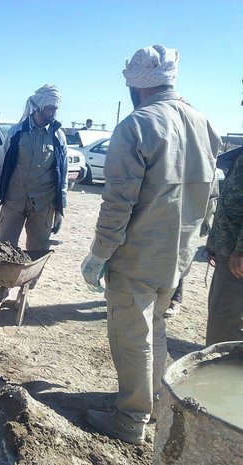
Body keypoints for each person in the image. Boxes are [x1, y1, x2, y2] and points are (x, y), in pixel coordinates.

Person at [80, 45, 221, 444]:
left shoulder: (137, 125)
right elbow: (212, 195)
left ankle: (130, 419)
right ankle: (155, 401)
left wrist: (99, 254)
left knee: (132, 336)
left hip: (137, 254)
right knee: (155, 328)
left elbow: (118, 202)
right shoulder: (204, 123)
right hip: (177, 255)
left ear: (135, 86)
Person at [0, 84, 67, 252]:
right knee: (4, 250)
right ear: (38, 107)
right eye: (50, 108)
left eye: (55, 109)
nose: (53, 112)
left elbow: (63, 175)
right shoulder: (16, 132)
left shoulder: (58, 137)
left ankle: (29, 279)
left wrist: (60, 209)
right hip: (13, 202)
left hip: (43, 206)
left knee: (37, 252)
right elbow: (0, 168)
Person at [205, 146, 243, 345]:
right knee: (220, 313)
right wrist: (213, 245)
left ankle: (220, 369)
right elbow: (228, 202)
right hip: (227, 252)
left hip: (235, 259)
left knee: (224, 321)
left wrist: (241, 251)